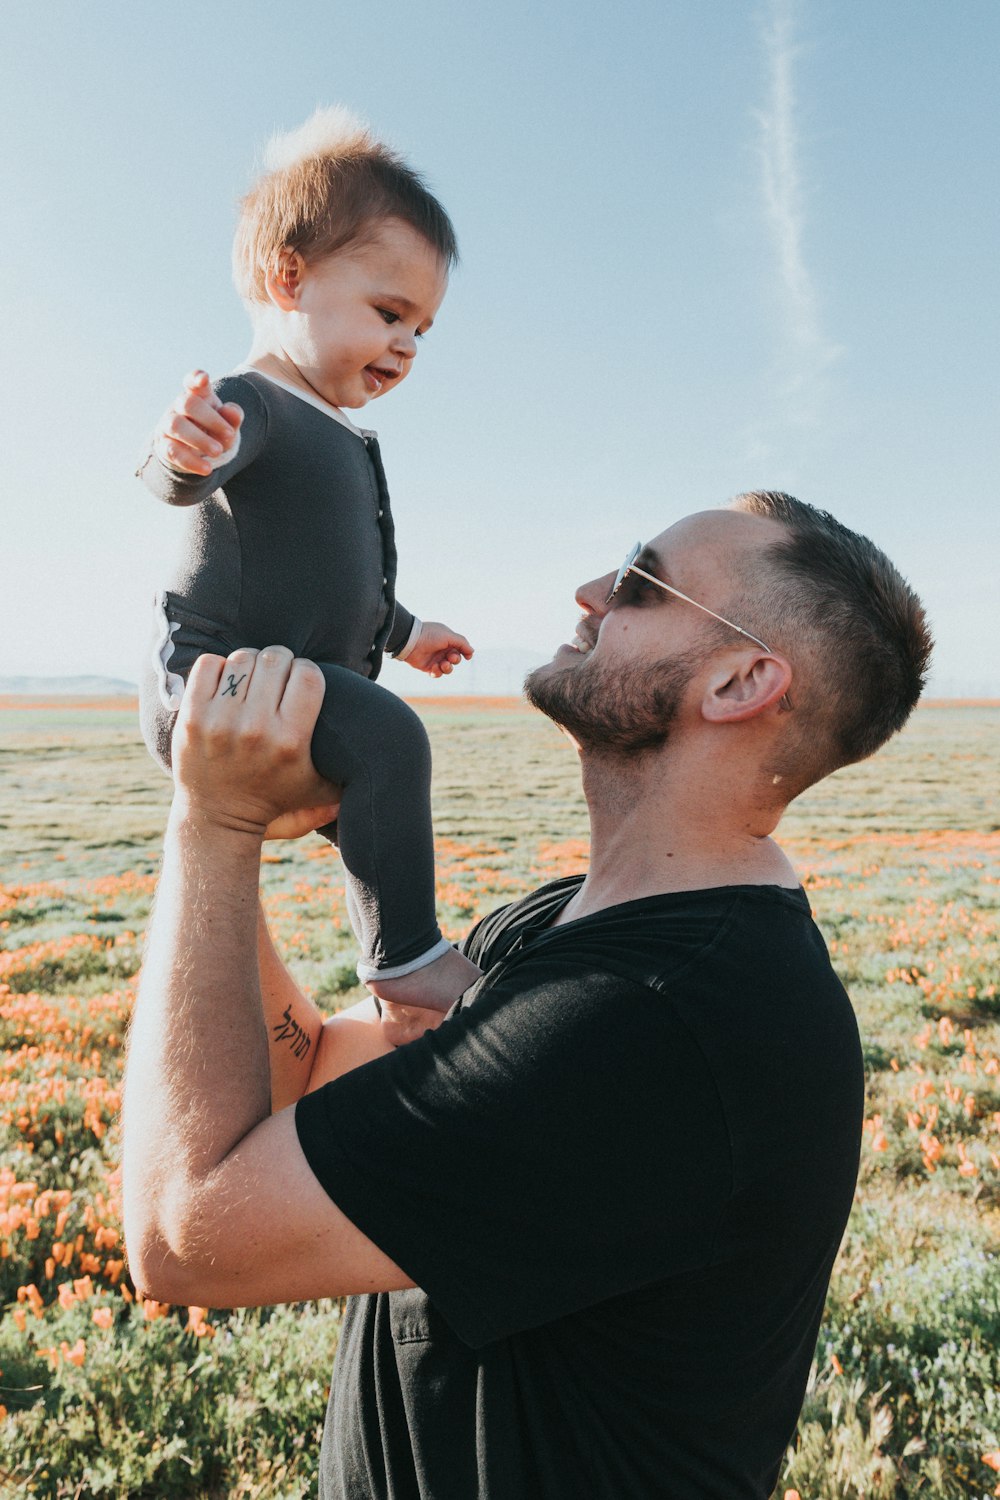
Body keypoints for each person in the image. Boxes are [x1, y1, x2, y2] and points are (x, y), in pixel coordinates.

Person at [122, 492, 933, 1499]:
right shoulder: (560, 926)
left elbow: (185, 1237)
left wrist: (211, 829)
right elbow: (314, 1080)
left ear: (738, 680)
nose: (590, 593)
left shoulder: (651, 1020)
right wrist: (219, 801)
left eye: (639, 583)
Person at [136, 106, 479, 1012]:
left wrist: (408, 633)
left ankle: (396, 962)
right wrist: (184, 451)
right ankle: (404, 961)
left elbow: (341, 576)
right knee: (390, 738)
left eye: (423, 329)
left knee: (380, 773)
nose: (407, 344)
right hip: (214, 685)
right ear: (290, 278)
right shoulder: (254, 403)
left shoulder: (339, 432)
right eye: (389, 311)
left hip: (292, 680)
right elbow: (181, 480)